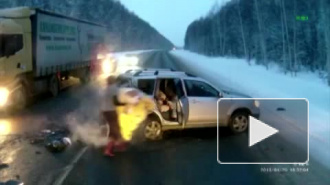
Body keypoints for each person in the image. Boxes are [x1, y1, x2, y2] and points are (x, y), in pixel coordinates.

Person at [101, 75, 121, 157]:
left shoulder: (106, 88)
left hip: (105, 111)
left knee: (115, 128)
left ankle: (115, 145)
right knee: (114, 130)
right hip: (111, 111)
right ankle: (108, 150)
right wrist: (124, 104)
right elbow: (115, 102)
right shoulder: (114, 88)